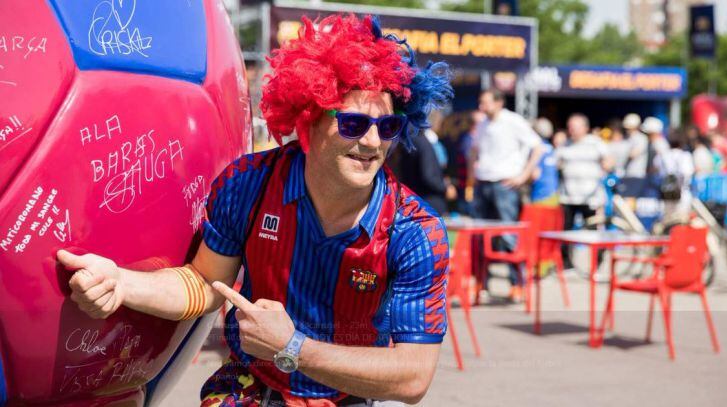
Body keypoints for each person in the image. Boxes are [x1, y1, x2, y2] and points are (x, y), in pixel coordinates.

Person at [56, 14, 453, 406]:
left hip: (347, 397)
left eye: (388, 128)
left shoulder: (415, 230)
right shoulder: (250, 183)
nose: (372, 142)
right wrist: (122, 284)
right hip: (251, 385)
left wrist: (292, 347)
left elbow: (413, 377)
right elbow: (204, 282)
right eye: (353, 123)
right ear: (309, 119)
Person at [469, 89, 543, 301]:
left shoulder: (513, 121)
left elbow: (538, 147)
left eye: (486, 102)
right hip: (483, 184)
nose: (482, 107)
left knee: (509, 235)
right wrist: (472, 177)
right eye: (480, 102)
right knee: (480, 237)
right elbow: (474, 150)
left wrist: (523, 176)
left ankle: (517, 284)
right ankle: (481, 284)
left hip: (505, 184)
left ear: (499, 102)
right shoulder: (482, 123)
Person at [556, 114, 612, 264]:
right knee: (566, 232)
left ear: (585, 128)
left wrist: (606, 165)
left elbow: (609, 161)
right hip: (568, 197)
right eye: (570, 127)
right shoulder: (565, 145)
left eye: (575, 127)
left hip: (591, 197)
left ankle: (596, 263)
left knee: (593, 232)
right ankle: (566, 263)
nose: (571, 130)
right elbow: (555, 164)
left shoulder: (596, 143)